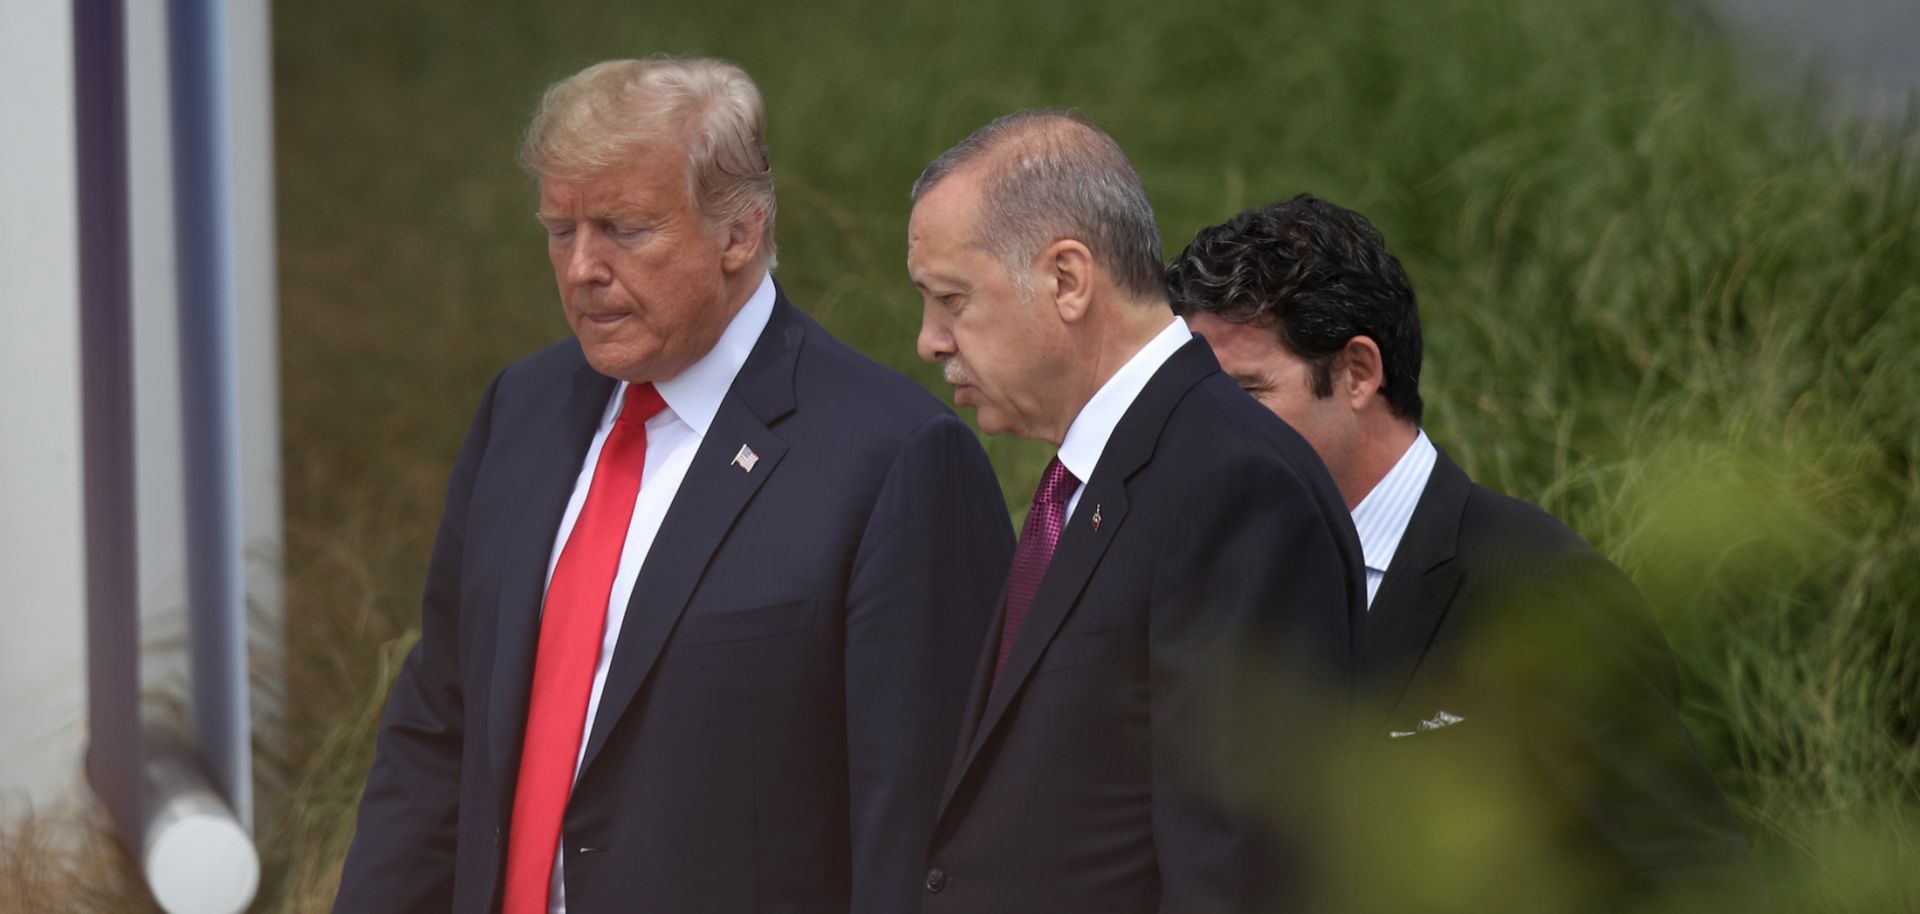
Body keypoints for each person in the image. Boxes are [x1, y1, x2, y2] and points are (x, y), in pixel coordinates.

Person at [333, 58, 1013, 914]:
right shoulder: (523, 409)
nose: (582, 268)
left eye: (622, 228)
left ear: (738, 231)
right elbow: (439, 728)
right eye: (559, 229)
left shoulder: (895, 460)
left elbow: (923, 836)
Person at [1168, 194, 1757, 911]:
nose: (1210, 433)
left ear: (1358, 372)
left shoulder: (1542, 591)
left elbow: (1694, 875)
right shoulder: (1215, 579)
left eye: (1247, 394)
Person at [906, 110, 1365, 914]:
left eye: (952, 299)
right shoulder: (1090, 481)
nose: (929, 341)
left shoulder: (1233, 487)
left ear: (1067, 280)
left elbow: (1237, 872)